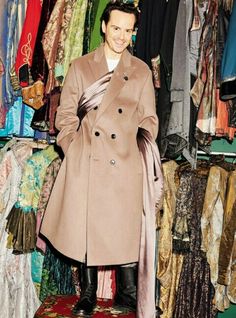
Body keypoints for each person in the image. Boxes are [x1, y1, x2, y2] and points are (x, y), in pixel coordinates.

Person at [40, 1, 163, 317]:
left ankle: (127, 293)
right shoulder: (81, 67)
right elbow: (65, 118)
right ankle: (89, 294)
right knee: (87, 227)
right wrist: (76, 147)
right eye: (116, 28)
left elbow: (150, 119)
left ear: (133, 32)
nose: (121, 36)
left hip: (124, 163)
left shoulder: (140, 71)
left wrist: (136, 151)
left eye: (128, 30)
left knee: (123, 228)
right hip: (89, 162)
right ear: (104, 26)